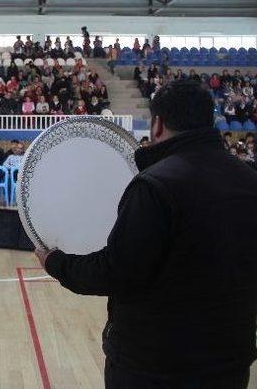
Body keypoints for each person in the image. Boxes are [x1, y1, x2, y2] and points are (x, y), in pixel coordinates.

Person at [37, 80, 257, 389]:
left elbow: (117, 271)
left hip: (156, 365)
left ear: (157, 124)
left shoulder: (155, 185)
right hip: (230, 361)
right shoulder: (249, 179)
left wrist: (57, 264)